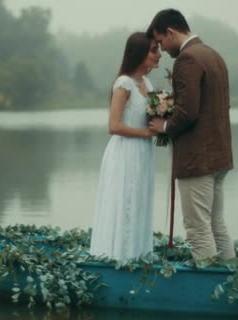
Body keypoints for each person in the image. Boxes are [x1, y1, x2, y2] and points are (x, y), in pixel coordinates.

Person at [147, 9, 236, 261]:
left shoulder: (187, 59)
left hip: (198, 160)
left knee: (197, 228)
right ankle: (233, 279)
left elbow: (187, 112)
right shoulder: (213, 55)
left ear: (171, 32)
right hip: (220, 157)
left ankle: (209, 291)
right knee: (216, 223)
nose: (162, 49)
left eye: (161, 42)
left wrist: (163, 127)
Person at [89, 32, 162, 261]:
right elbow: (113, 125)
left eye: (158, 49)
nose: (159, 54)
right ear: (139, 53)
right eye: (153, 50)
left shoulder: (147, 83)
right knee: (124, 200)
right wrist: (146, 133)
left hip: (143, 152)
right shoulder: (123, 84)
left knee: (139, 199)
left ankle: (138, 253)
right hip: (125, 152)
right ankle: (118, 256)